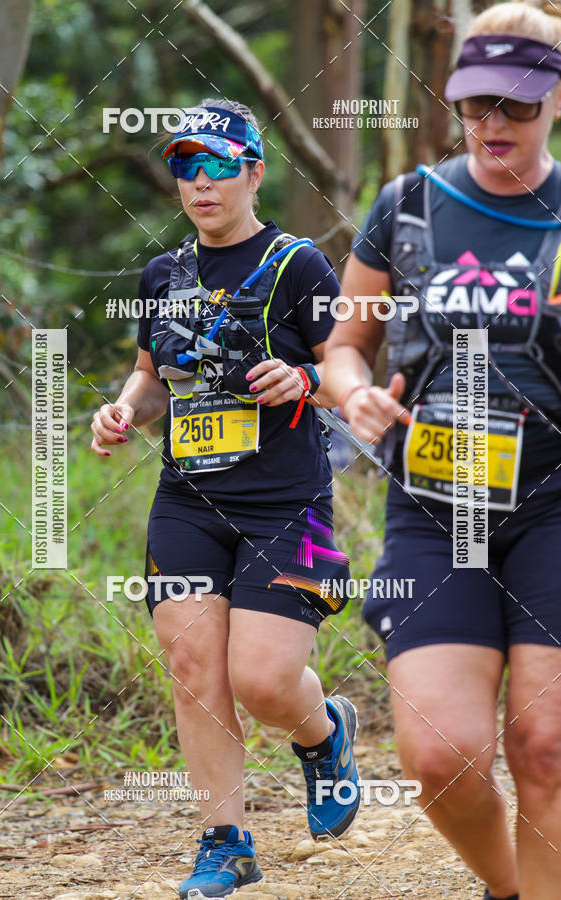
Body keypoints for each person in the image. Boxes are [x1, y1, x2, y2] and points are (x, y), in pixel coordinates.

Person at [91, 98, 359, 900]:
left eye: (216, 165)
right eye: (184, 166)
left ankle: (324, 732)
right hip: (188, 501)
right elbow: (150, 376)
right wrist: (122, 410)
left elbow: (349, 370)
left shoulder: (297, 264)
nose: (200, 182)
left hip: (289, 503)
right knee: (193, 667)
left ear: (252, 171)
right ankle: (226, 843)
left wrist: (307, 378)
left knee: (266, 683)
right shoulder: (162, 274)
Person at [323, 3, 561, 899]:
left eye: (519, 105)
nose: (493, 124)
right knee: (441, 758)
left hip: (553, 501)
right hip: (434, 503)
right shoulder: (410, 204)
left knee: (544, 746)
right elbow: (346, 344)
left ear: (556, 102)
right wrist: (358, 395)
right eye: (474, 104)